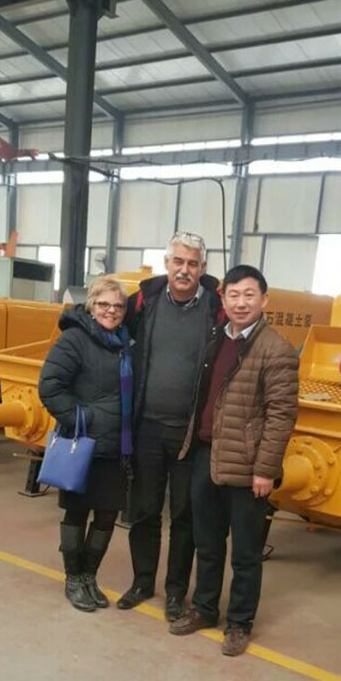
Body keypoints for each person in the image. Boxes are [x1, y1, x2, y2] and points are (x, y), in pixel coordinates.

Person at [170, 264, 299, 656]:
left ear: (264, 300)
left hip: (247, 466)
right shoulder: (216, 338)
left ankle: (240, 623)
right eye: (233, 295)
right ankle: (205, 609)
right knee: (207, 543)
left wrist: (265, 470)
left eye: (249, 295)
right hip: (206, 456)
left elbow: (281, 415)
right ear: (223, 299)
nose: (240, 303)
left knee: (245, 553)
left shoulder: (276, 349)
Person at [117, 232, 223, 622]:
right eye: (178, 261)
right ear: (166, 263)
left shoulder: (216, 309)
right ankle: (143, 582)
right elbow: (106, 319)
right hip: (146, 428)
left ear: (203, 268)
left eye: (192, 263)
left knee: (184, 516)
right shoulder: (143, 302)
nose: (184, 270)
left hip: (189, 435)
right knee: (144, 511)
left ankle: (176, 592)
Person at [38, 276, 133, 613]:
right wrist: (81, 418)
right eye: (104, 304)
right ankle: (73, 578)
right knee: (77, 512)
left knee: (107, 514)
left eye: (118, 306)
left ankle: (90, 576)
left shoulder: (125, 342)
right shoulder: (74, 340)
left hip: (116, 446)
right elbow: (50, 386)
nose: (111, 311)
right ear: (91, 305)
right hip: (84, 444)